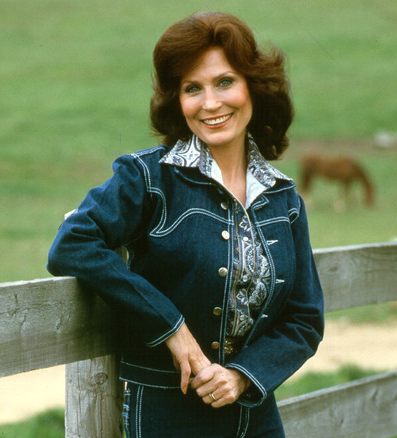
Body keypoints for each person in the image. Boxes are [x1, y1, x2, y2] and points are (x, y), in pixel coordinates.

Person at [47, 11, 323, 437]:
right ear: (177, 100)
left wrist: (243, 376)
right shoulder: (148, 178)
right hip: (164, 414)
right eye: (193, 88)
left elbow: (304, 319)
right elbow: (74, 243)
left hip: (257, 417)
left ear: (253, 85)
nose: (211, 103)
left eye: (225, 82)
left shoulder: (283, 199)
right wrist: (171, 327)